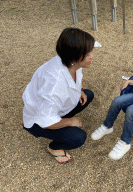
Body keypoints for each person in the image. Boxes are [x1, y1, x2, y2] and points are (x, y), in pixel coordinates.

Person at [22, 28, 95, 164]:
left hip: (54, 106)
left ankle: (62, 118)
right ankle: (53, 148)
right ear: (74, 57)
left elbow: (77, 75)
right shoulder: (55, 85)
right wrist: (70, 121)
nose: (92, 56)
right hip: (38, 120)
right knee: (78, 137)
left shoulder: (68, 60)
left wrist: (79, 89)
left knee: (88, 95)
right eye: (87, 54)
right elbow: (45, 120)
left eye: (91, 51)